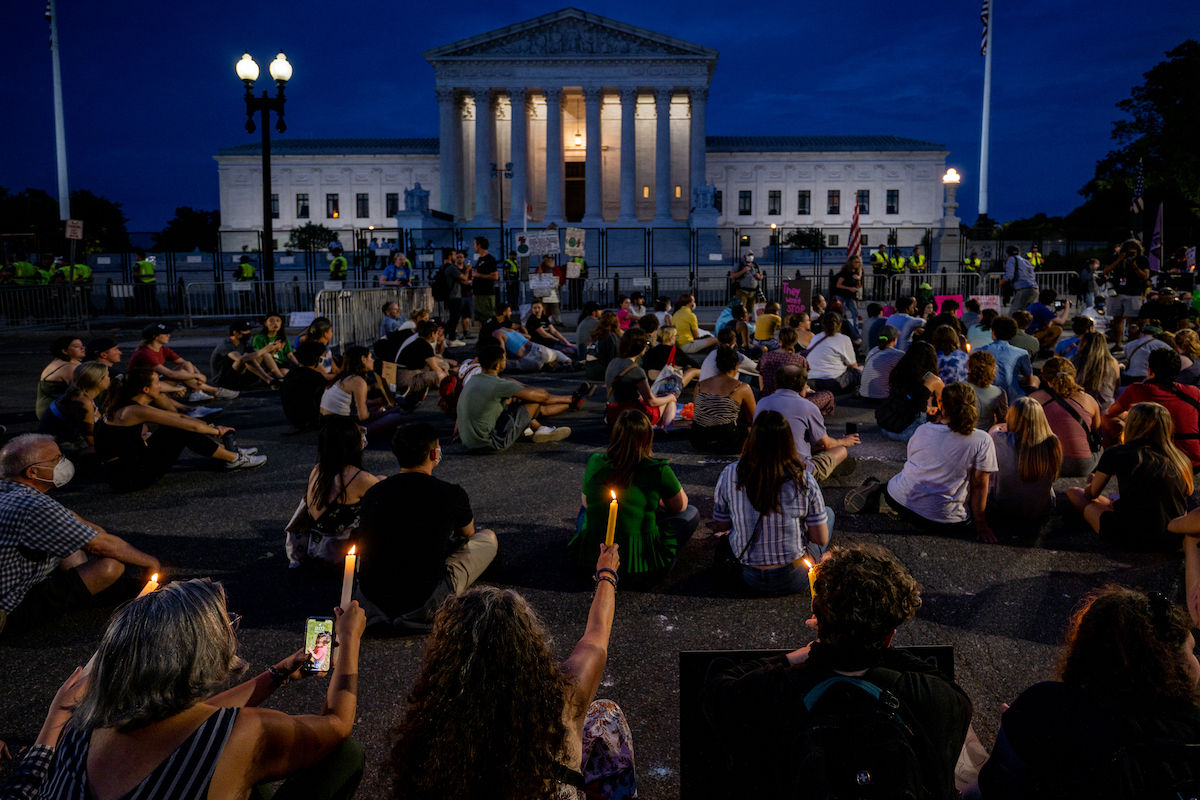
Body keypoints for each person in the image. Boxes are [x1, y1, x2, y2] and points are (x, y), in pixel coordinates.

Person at [21, 579, 366, 799]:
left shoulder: (87, 720)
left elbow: (194, 723)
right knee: (345, 753)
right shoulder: (242, 733)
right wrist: (348, 640)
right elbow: (337, 725)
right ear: (199, 656)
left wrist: (275, 675)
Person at [702, 544, 972, 799]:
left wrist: (795, 656)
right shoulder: (930, 697)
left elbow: (717, 686)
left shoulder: (773, 689)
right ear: (889, 636)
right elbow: (956, 695)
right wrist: (875, 645)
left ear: (818, 617)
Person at [388, 544, 636, 800]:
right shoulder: (565, 701)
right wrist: (606, 574)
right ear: (528, 648)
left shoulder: (436, 723)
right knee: (605, 717)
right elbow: (595, 639)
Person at [975, 586, 1200, 800]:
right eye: (1192, 650)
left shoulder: (1044, 705)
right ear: (1169, 664)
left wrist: (1021, 725)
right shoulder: (1190, 727)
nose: (1197, 659)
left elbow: (993, 788)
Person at [0, 435, 160, 638]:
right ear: (32, 472)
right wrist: (151, 563)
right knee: (111, 565)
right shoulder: (33, 507)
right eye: (56, 459)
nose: (63, 463)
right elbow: (101, 545)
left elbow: (85, 529)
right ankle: (86, 596)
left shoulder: (12, 494)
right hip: (9, 608)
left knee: (73, 540)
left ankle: (85, 590)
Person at [354, 423, 497, 630]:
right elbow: (467, 534)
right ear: (434, 453)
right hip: (427, 601)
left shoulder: (374, 492)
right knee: (487, 538)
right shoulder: (451, 493)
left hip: (372, 602)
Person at [851, 382, 999, 543]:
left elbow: (913, 462)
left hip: (901, 500)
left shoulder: (924, 429)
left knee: (908, 478)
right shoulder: (982, 440)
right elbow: (980, 485)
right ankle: (885, 498)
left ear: (942, 405)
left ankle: (881, 495)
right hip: (948, 521)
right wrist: (981, 525)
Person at [568, 409, 697, 585]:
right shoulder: (657, 469)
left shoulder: (596, 461)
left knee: (586, 510)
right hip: (643, 571)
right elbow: (680, 507)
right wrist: (657, 501)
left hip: (590, 567)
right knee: (691, 512)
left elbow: (586, 502)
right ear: (647, 438)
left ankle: (592, 544)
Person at [711, 410, 833, 594]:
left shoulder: (730, 473)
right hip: (792, 577)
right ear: (788, 443)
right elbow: (820, 538)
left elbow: (722, 525)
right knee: (828, 514)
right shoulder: (803, 479)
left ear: (751, 440)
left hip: (746, 576)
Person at [95, 369, 265, 491]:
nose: (160, 385)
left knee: (178, 427)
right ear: (145, 389)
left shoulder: (123, 404)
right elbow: (186, 425)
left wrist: (209, 428)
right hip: (130, 478)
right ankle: (234, 458)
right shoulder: (135, 410)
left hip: (125, 470)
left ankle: (230, 451)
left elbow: (179, 418)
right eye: (157, 382)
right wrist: (216, 432)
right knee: (180, 430)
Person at [1067, 402, 1190, 551]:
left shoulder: (1118, 452)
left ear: (1132, 424)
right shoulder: (1180, 459)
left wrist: (1089, 488)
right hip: (1172, 537)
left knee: (1074, 492)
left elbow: (1091, 494)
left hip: (1131, 535)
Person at [295, 417, 382, 568]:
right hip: (341, 557)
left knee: (380, 482)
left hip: (315, 551)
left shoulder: (319, 469)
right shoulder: (357, 477)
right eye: (360, 435)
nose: (363, 438)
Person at [457, 345, 577, 451]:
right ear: (497, 366)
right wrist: (523, 387)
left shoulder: (473, 380)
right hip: (490, 444)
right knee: (533, 402)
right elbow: (543, 397)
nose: (506, 361)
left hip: (469, 443)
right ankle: (536, 428)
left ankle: (537, 428)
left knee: (512, 400)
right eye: (504, 359)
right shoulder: (498, 385)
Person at [756, 365, 859, 483]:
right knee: (841, 450)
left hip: (765, 467)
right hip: (797, 472)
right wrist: (845, 441)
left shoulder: (762, 403)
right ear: (802, 385)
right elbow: (827, 444)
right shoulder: (807, 407)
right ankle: (822, 473)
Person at [1105, 348, 1200, 468]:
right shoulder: (1193, 392)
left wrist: (1128, 419)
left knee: (1106, 419)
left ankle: (1119, 456)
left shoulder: (1138, 389)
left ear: (1150, 370)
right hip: (1192, 459)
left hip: (1157, 460)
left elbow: (1112, 412)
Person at [987, 397, 1062, 522]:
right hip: (1040, 511)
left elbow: (993, 429)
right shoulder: (1053, 442)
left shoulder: (998, 438)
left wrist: (1004, 426)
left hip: (1002, 509)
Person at [1027, 357, 1101, 477]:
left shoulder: (1034, 399)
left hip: (1046, 463)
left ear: (1045, 378)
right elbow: (1097, 430)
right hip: (1082, 465)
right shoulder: (1089, 400)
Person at [130, 322, 235, 402]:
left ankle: (196, 392)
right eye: (165, 333)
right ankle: (215, 391)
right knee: (183, 374)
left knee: (186, 365)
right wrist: (197, 377)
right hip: (143, 386)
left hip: (155, 382)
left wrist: (197, 374)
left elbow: (186, 363)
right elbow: (170, 374)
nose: (169, 335)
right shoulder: (146, 353)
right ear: (155, 336)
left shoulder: (162, 349)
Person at [319, 346, 407, 440]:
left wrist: (376, 402)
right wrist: (387, 413)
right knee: (396, 417)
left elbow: (352, 406)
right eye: (370, 357)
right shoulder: (358, 382)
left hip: (329, 427)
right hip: (343, 432)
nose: (373, 360)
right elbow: (363, 417)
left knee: (382, 409)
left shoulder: (341, 378)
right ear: (363, 359)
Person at [603, 328, 677, 429]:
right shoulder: (635, 370)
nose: (647, 345)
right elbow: (651, 401)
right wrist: (671, 397)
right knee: (669, 400)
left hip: (614, 414)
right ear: (640, 346)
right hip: (632, 416)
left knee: (661, 398)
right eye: (646, 342)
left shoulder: (613, 362)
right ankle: (669, 428)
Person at [874, 342, 945, 442]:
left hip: (887, 429)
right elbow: (944, 404)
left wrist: (926, 408)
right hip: (912, 434)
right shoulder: (933, 380)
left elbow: (908, 404)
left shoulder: (900, 373)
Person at [691, 346, 756, 454]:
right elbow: (753, 419)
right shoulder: (741, 388)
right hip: (728, 443)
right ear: (736, 366)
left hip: (698, 440)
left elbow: (698, 413)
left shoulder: (700, 385)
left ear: (717, 365)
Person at [38, 362, 109, 453]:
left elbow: (99, 421)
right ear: (99, 381)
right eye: (107, 376)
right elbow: (88, 434)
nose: (109, 378)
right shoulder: (82, 402)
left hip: (62, 438)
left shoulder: (82, 393)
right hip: (58, 444)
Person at [1103, 238, 1151, 347]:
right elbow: (1105, 271)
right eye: (1128, 252)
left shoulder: (1142, 259)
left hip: (1133, 292)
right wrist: (1119, 260)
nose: (1130, 254)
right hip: (1117, 292)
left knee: (1132, 320)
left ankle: (1132, 344)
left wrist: (1134, 265)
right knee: (1117, 319)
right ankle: (1118, 344)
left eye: (1133, 252)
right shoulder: (1117, 258)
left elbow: (1144, 276)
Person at [210, 321, 283, 391]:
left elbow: (260, 355)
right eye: (245, 330)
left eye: (249, 330)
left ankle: (281, 379)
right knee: (247, 358)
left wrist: (273, 349)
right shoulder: (226, 345)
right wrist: (265, 349)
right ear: (235, 332)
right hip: (224, 381)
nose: (248, 332)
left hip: (240, 378)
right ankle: (270, 380)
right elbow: (240, 360)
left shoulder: (244, 343)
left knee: (263, 355)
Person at [980, 316, 1038, 403]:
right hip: (1013, 400)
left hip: (986, 397)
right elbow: (1029, 381)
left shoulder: (979, 351)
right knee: (1035, 379)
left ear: (993, 333)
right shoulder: (1022, 353)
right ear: (1013, 334)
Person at [804, 312, 861, 393]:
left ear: (823, 325)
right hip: (833, 382)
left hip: (811, 381)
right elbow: (853, 365)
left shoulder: (815, 337)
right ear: (840, 325)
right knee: (859, 371)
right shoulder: (844, 339)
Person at [280, 341, 331, 431]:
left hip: (293, 418)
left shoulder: (291, 374)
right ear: (318, 358)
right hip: (309, 420)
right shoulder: (314, 377)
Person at [492, 318, 574, 373]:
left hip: (525, 363)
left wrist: (501, 368)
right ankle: (569, 362)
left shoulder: (497, 333)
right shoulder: (509, 330)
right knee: (556, 353)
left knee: (515, 365)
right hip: (536, 351)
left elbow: (502, 352)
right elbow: (528, 336)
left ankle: (548, 365)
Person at [396, 320, 451, 396]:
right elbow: (435, 367)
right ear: (432, 334)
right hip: (407, 380)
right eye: (437, 333)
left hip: (403, 375)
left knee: (441, 368)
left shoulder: (419, 342)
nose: (438, 336)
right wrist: (447, 378)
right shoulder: (425, 346)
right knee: (440, 376)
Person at [35, 336, 85, 420]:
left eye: (82, 345)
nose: (82, 348)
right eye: (76, 346)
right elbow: (80, 391)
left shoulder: (72, 362)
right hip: (53, 411)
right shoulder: (68, 367)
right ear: (65, 351)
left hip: (58, 406)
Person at [1072, 330, 1121, 410]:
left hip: (1080, 404)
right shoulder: (1112, 362)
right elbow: (1116, 385)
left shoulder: (1073, 360)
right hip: (1105, 405)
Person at [642, 325, 702, 389]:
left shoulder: (652, 350)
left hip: (652, 383)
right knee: (694, 371)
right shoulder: (674, 350)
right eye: (675, 336)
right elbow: (692, 363)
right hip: (666, 385)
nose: (676, 338)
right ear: (670, 338)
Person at [860, 324, 905, 401]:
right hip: (883, 398)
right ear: (894, 339)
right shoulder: (898, 354)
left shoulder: (873, 351)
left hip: (864, 395)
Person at [967, 349, 1008, 430]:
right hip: (986, 435)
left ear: (969, 368)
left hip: (960, 433)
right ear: (993, 370)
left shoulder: (959, 387)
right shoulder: (999, 393)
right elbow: (1003, 421)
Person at [583, 310, 622, 382]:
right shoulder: (610, 336)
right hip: (600, 370)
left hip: (589, 367)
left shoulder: (597, 334)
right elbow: (612, 357)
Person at [832, 255, 863, 342]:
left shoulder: (856, 273)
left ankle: (856, 331)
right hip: (842, 295)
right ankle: (839, 329)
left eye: (859, 262)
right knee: (840, 313)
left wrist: (858, 280)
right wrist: (849, 288)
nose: (857, 264)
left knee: (855, 312)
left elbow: (857, 284)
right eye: (856, 262)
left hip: (850, 296)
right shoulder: (845, 272)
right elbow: (838, 285)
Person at [1001, 244, 1039, 315]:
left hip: (1023, 289)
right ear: (1019, 253)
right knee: (1025, 315)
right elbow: (1032, 275)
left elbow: (1009, 276)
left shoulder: (1011, 259)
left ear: (1008, 254)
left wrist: (1001, 282)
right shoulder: (1026, 261)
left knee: (1014, 314)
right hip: (1034, 289)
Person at [471, 236, 499, 323]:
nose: (473, 247)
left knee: (486, 318)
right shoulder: (480, 259)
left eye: (474, 244)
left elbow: (495, 276)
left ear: (479, 245)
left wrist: (478, 275)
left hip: (486, 294)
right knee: (480, 318)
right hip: (478, 293)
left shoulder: (489, 259)